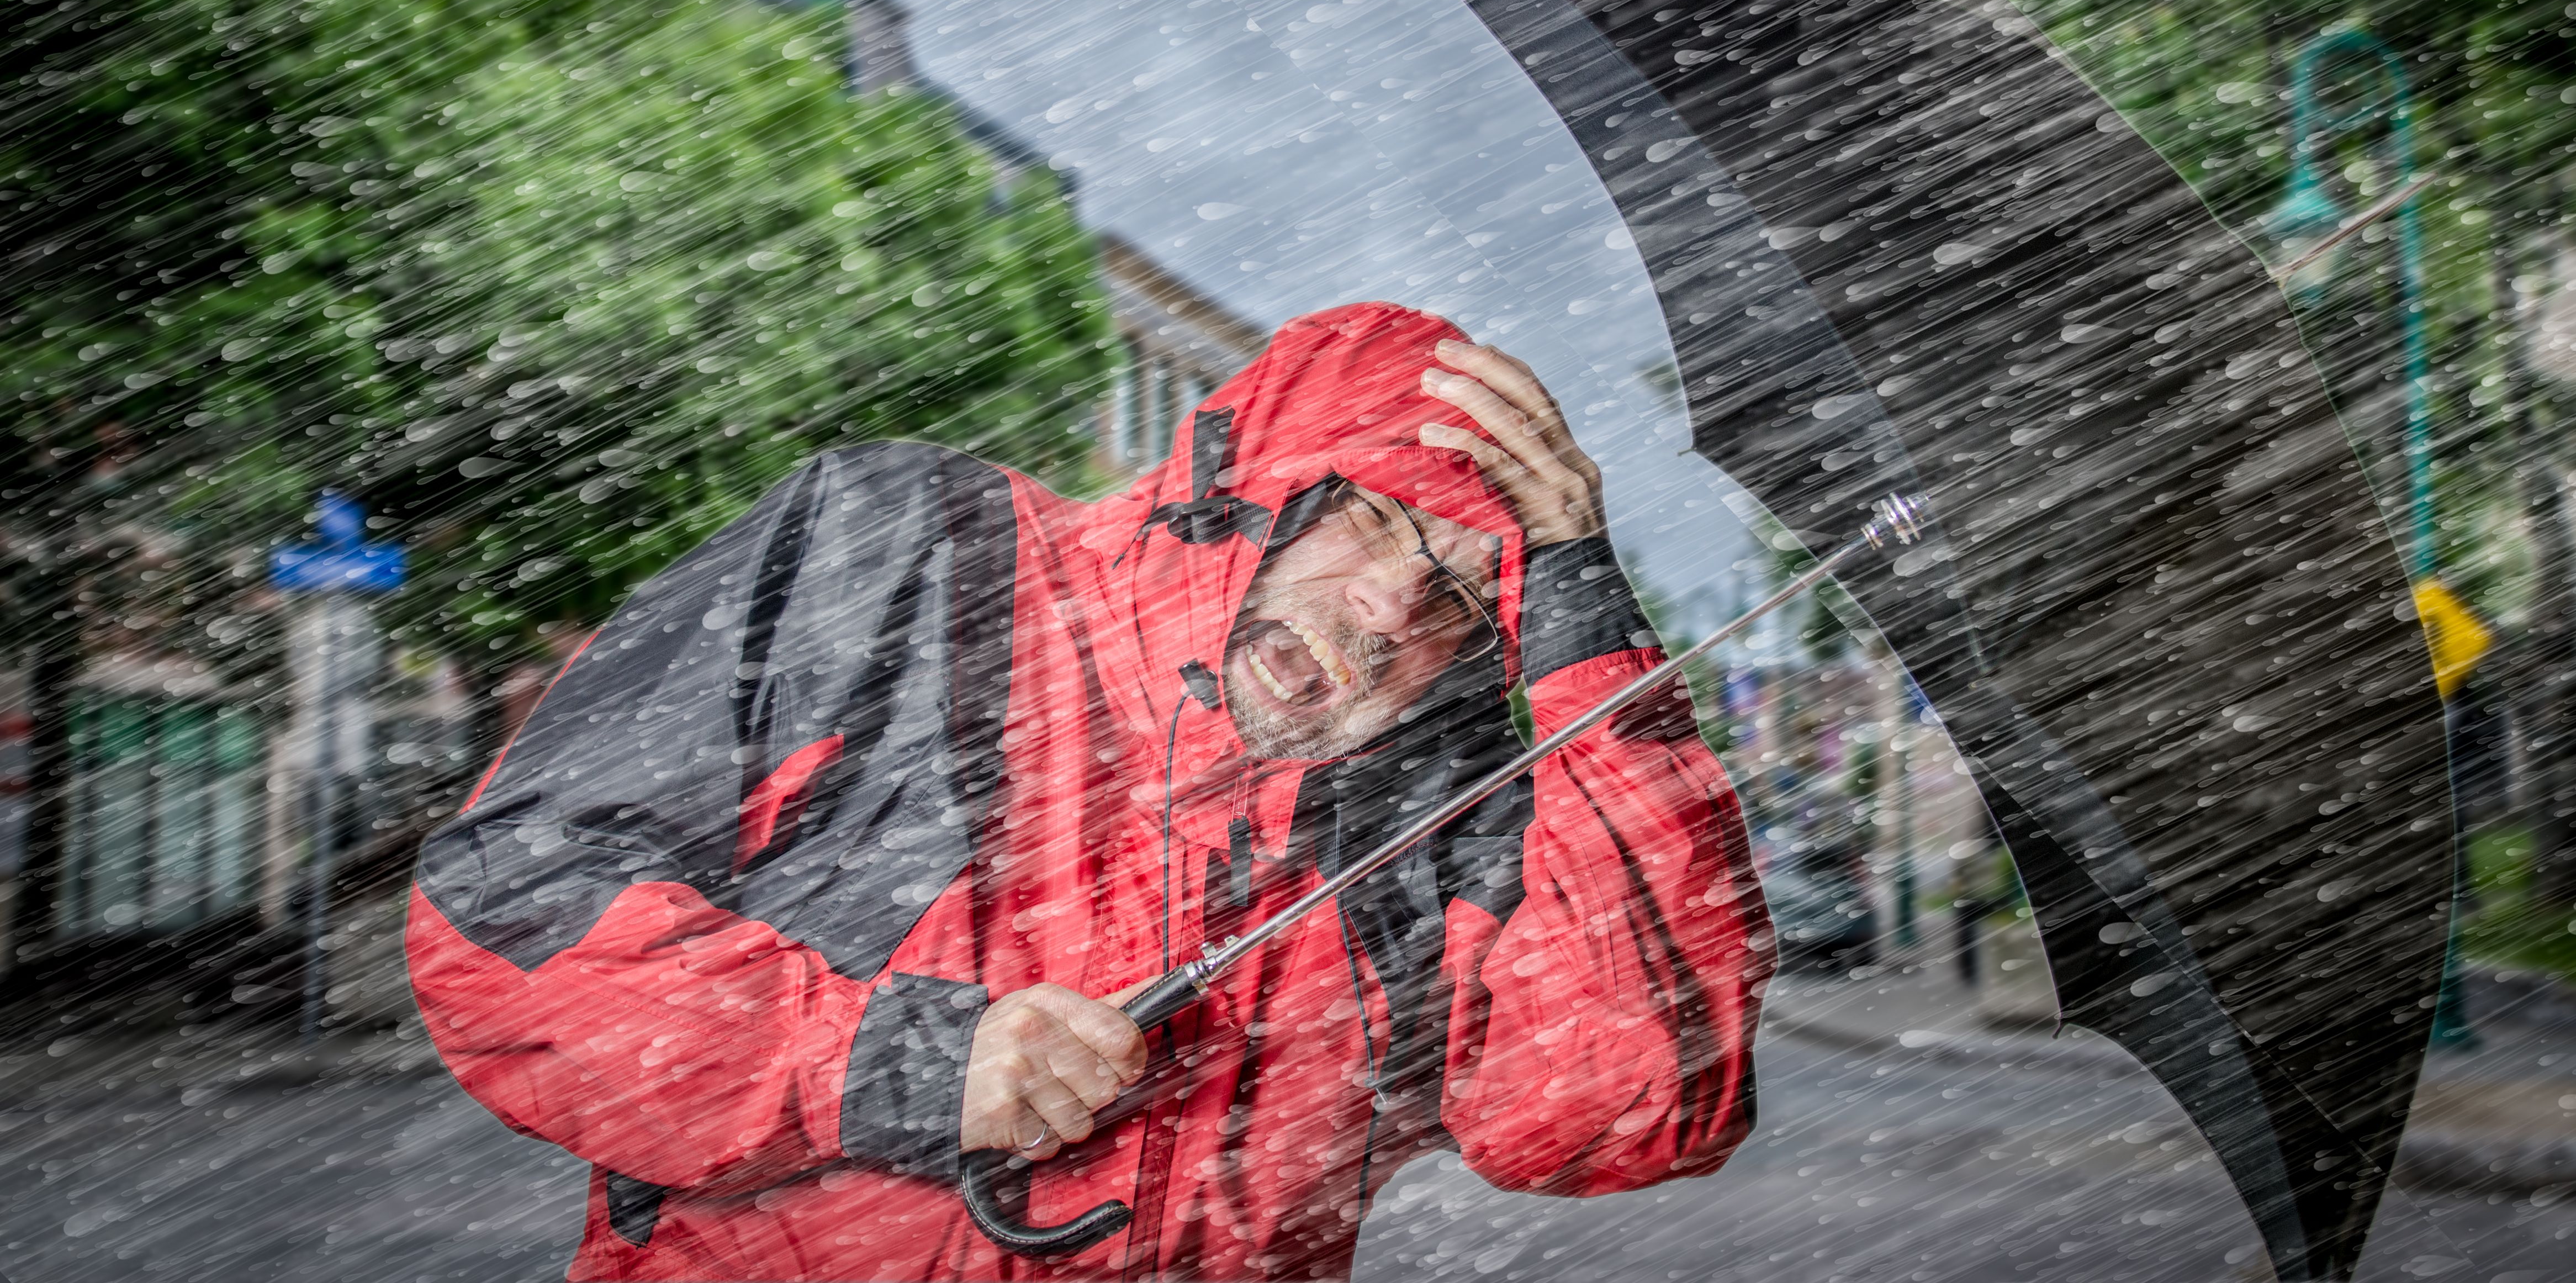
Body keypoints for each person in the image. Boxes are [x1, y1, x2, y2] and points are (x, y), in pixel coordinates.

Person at [409, 302, 1770, 1280]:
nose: (1389, 607)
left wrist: (1593, 640)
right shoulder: (914, 558)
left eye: (1470, 587)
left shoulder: (1437, 806)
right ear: (1249, 479)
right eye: (1373, 516)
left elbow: (1619, 1115)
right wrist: (894, 1065)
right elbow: (503, 918)